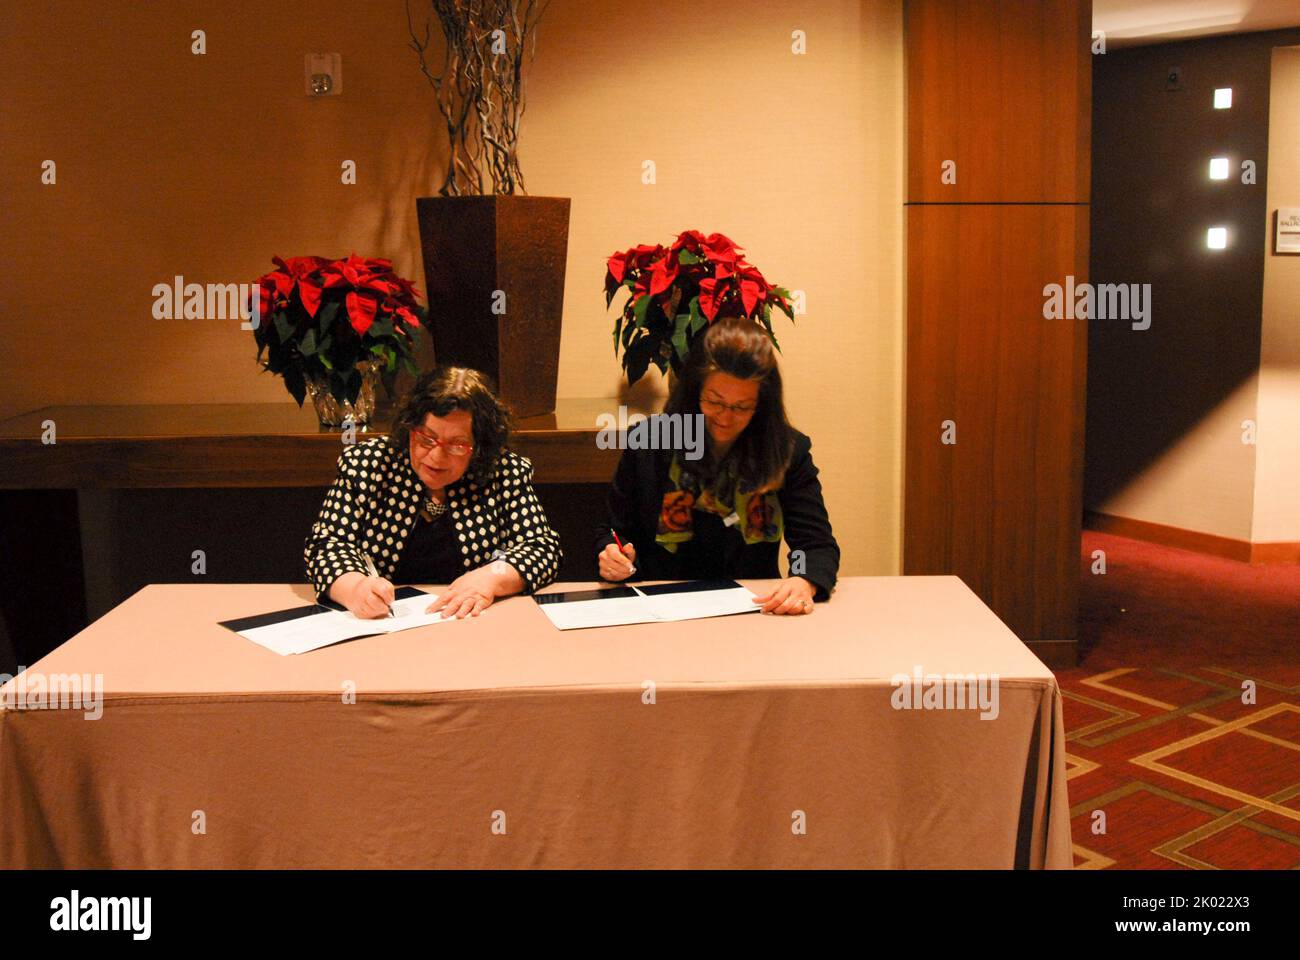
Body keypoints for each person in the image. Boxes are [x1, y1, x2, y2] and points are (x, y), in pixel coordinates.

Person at [596, 317, 839, 614]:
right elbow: (613, 530)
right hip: (658, 607)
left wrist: (803, 577)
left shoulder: (786, 450)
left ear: (762, 405)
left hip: (753, 608)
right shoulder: (649, 442)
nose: (725, 417)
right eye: (714, 402)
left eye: (741, 407)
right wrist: (612, 552)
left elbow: (812, 545)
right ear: (695, 392)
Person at [304, 366, 562, 619]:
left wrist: (490, 578)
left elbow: (542, 548)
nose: (437, 457)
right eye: (426, 439)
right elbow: (327, 546)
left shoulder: (503, 470)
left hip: (473, 625)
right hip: (383, 626)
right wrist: (355, 588)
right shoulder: (368, 464)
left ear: (480, 446)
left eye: (457, 444)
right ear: (409, 428)